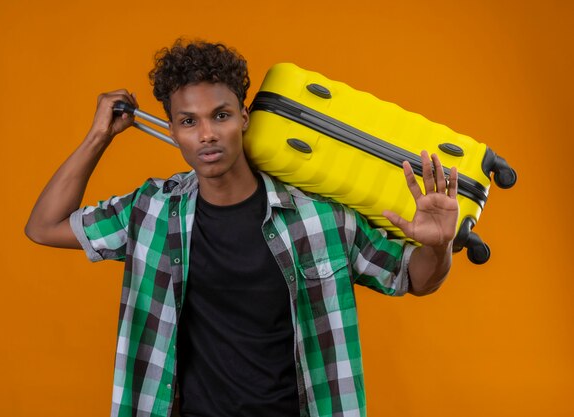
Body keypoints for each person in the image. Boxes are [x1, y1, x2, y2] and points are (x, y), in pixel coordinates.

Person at [25, 39, 459, 417]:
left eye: (221, 115)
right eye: (189, 121)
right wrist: (99, 136)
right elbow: (44, 227)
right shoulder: (150, 211)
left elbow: (412, 277)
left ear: (245, 118)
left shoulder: (318, 217)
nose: (207, 135)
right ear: (173, 130)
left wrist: (438, 247)